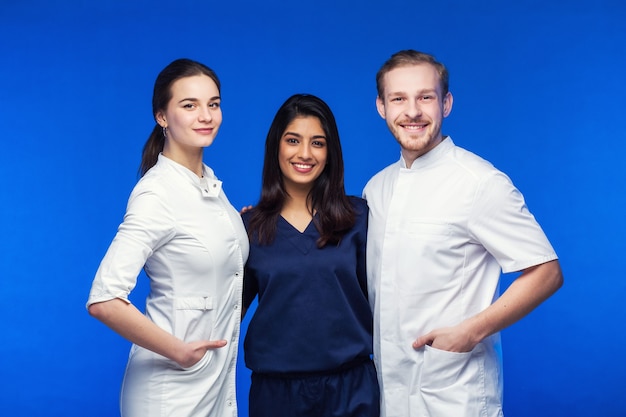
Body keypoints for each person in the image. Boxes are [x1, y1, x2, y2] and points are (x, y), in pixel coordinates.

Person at [363, 49, 564, 417]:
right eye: (398, 99)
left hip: (455, 395)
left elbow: (546, 272)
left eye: (425, 97)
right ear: (381, 106)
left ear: (446, 103)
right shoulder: (376, 189)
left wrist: (470, 332)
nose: (412, 112)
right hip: (388, 396)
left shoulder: (479, 183)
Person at [86, 58, 249, 417]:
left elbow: (206, 251)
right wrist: (179, 351)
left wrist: (239, 227)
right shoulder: (156, 193)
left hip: (216, 387)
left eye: (214, 104)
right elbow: (104, 298)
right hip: (171, 392)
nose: (205, 116)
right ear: (162, 116)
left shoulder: (209, 184)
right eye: (189, 105)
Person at [242, 94, 380, 417]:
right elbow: (226, 313)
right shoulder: (248, 228)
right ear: (276, 145)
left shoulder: (359, 218)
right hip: (276, 394)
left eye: (317, 143)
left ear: (330, 152)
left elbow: (390, 298)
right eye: (293, 140)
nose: (305, 153)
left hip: (351, 388)